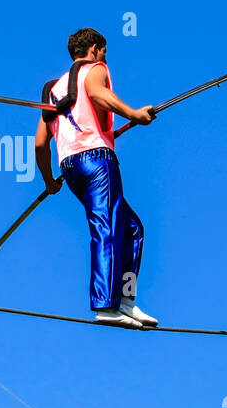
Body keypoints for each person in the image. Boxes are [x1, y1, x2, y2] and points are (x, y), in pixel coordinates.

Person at [34, 27, 157, 327]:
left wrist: (49, 180)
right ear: (93, 49)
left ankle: (126, 300)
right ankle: (106, 304)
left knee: (132, 229)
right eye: (103, 50)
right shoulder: (95, 69)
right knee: (107, 227)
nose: (105, 56)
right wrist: (134, 115)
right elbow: (99, 95)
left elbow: (40, 143)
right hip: (97, 160)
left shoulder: (54, 89)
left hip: (71, 167)